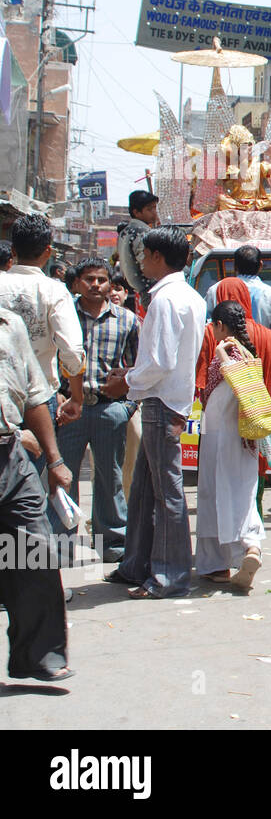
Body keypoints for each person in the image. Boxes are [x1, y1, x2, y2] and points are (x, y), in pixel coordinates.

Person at [102, 226, 206, 600]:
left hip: (161, 403)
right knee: (146, 490)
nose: (141, 262)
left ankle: (171, 576)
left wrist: (126, 381)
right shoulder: (188, 296)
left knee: (166, 494)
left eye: (145, 255)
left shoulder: (165, 299)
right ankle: (137, 564)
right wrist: (131, 379)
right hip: (165, 400)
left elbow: (160, 362)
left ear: (158, 257)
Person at [194, 300, 271, 592]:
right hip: (246, 437)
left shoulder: (223, 353)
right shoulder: (250, 354)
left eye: (214, 326)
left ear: (221, 326)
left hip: (218, 438)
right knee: (243, 495)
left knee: (214, 496)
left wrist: (219, 351)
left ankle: (216, 565)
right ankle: (251, 546)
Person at [0, 307, 74, 681]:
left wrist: (54, 458)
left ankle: (38, 655)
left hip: (11, 455)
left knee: (36, 552)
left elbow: (33, 397)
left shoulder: (10, 324)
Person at [54, 258, 138, 565]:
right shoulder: (63, 317)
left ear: (110, 285)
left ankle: (113, 543)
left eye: (101, 280)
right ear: (77, 283)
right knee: (63, 478)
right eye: (89, 279)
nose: (95, 285)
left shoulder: (127, 320)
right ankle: (60, 548)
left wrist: (126, 407)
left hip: (108, 410)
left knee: (109, 479)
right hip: (69, 411)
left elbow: (136, 368)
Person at [0, 213, 86, 489]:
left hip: (4, 399)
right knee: (32, 488)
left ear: (12, 250)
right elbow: (72, 352)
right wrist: (76, 396)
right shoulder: (54, 291)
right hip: (38, 402)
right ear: (48, 252)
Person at [205, 245, 271, 381]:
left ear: (234, 266)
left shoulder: (215, 290)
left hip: (222, 367)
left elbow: (207, 331)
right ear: (260, 265)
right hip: (260, 367)